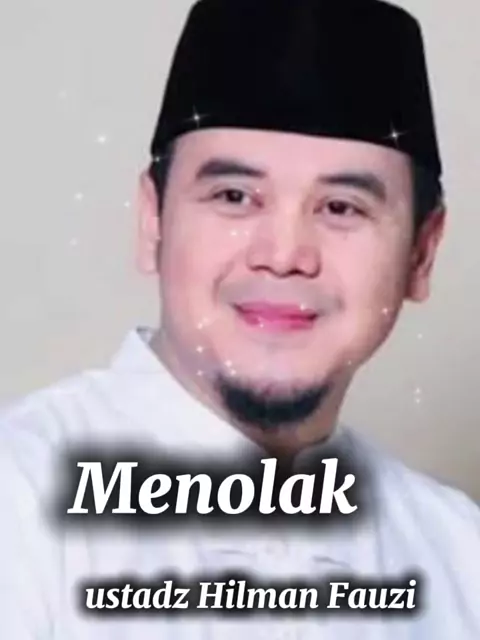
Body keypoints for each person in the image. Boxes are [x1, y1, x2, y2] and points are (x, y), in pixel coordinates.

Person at [0, 0, 479, 638]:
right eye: (234, 196)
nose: (283, 255)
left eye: (341, 207)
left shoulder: (460, 557)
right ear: (154, 221)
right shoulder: (19, 502)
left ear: (421, 253)